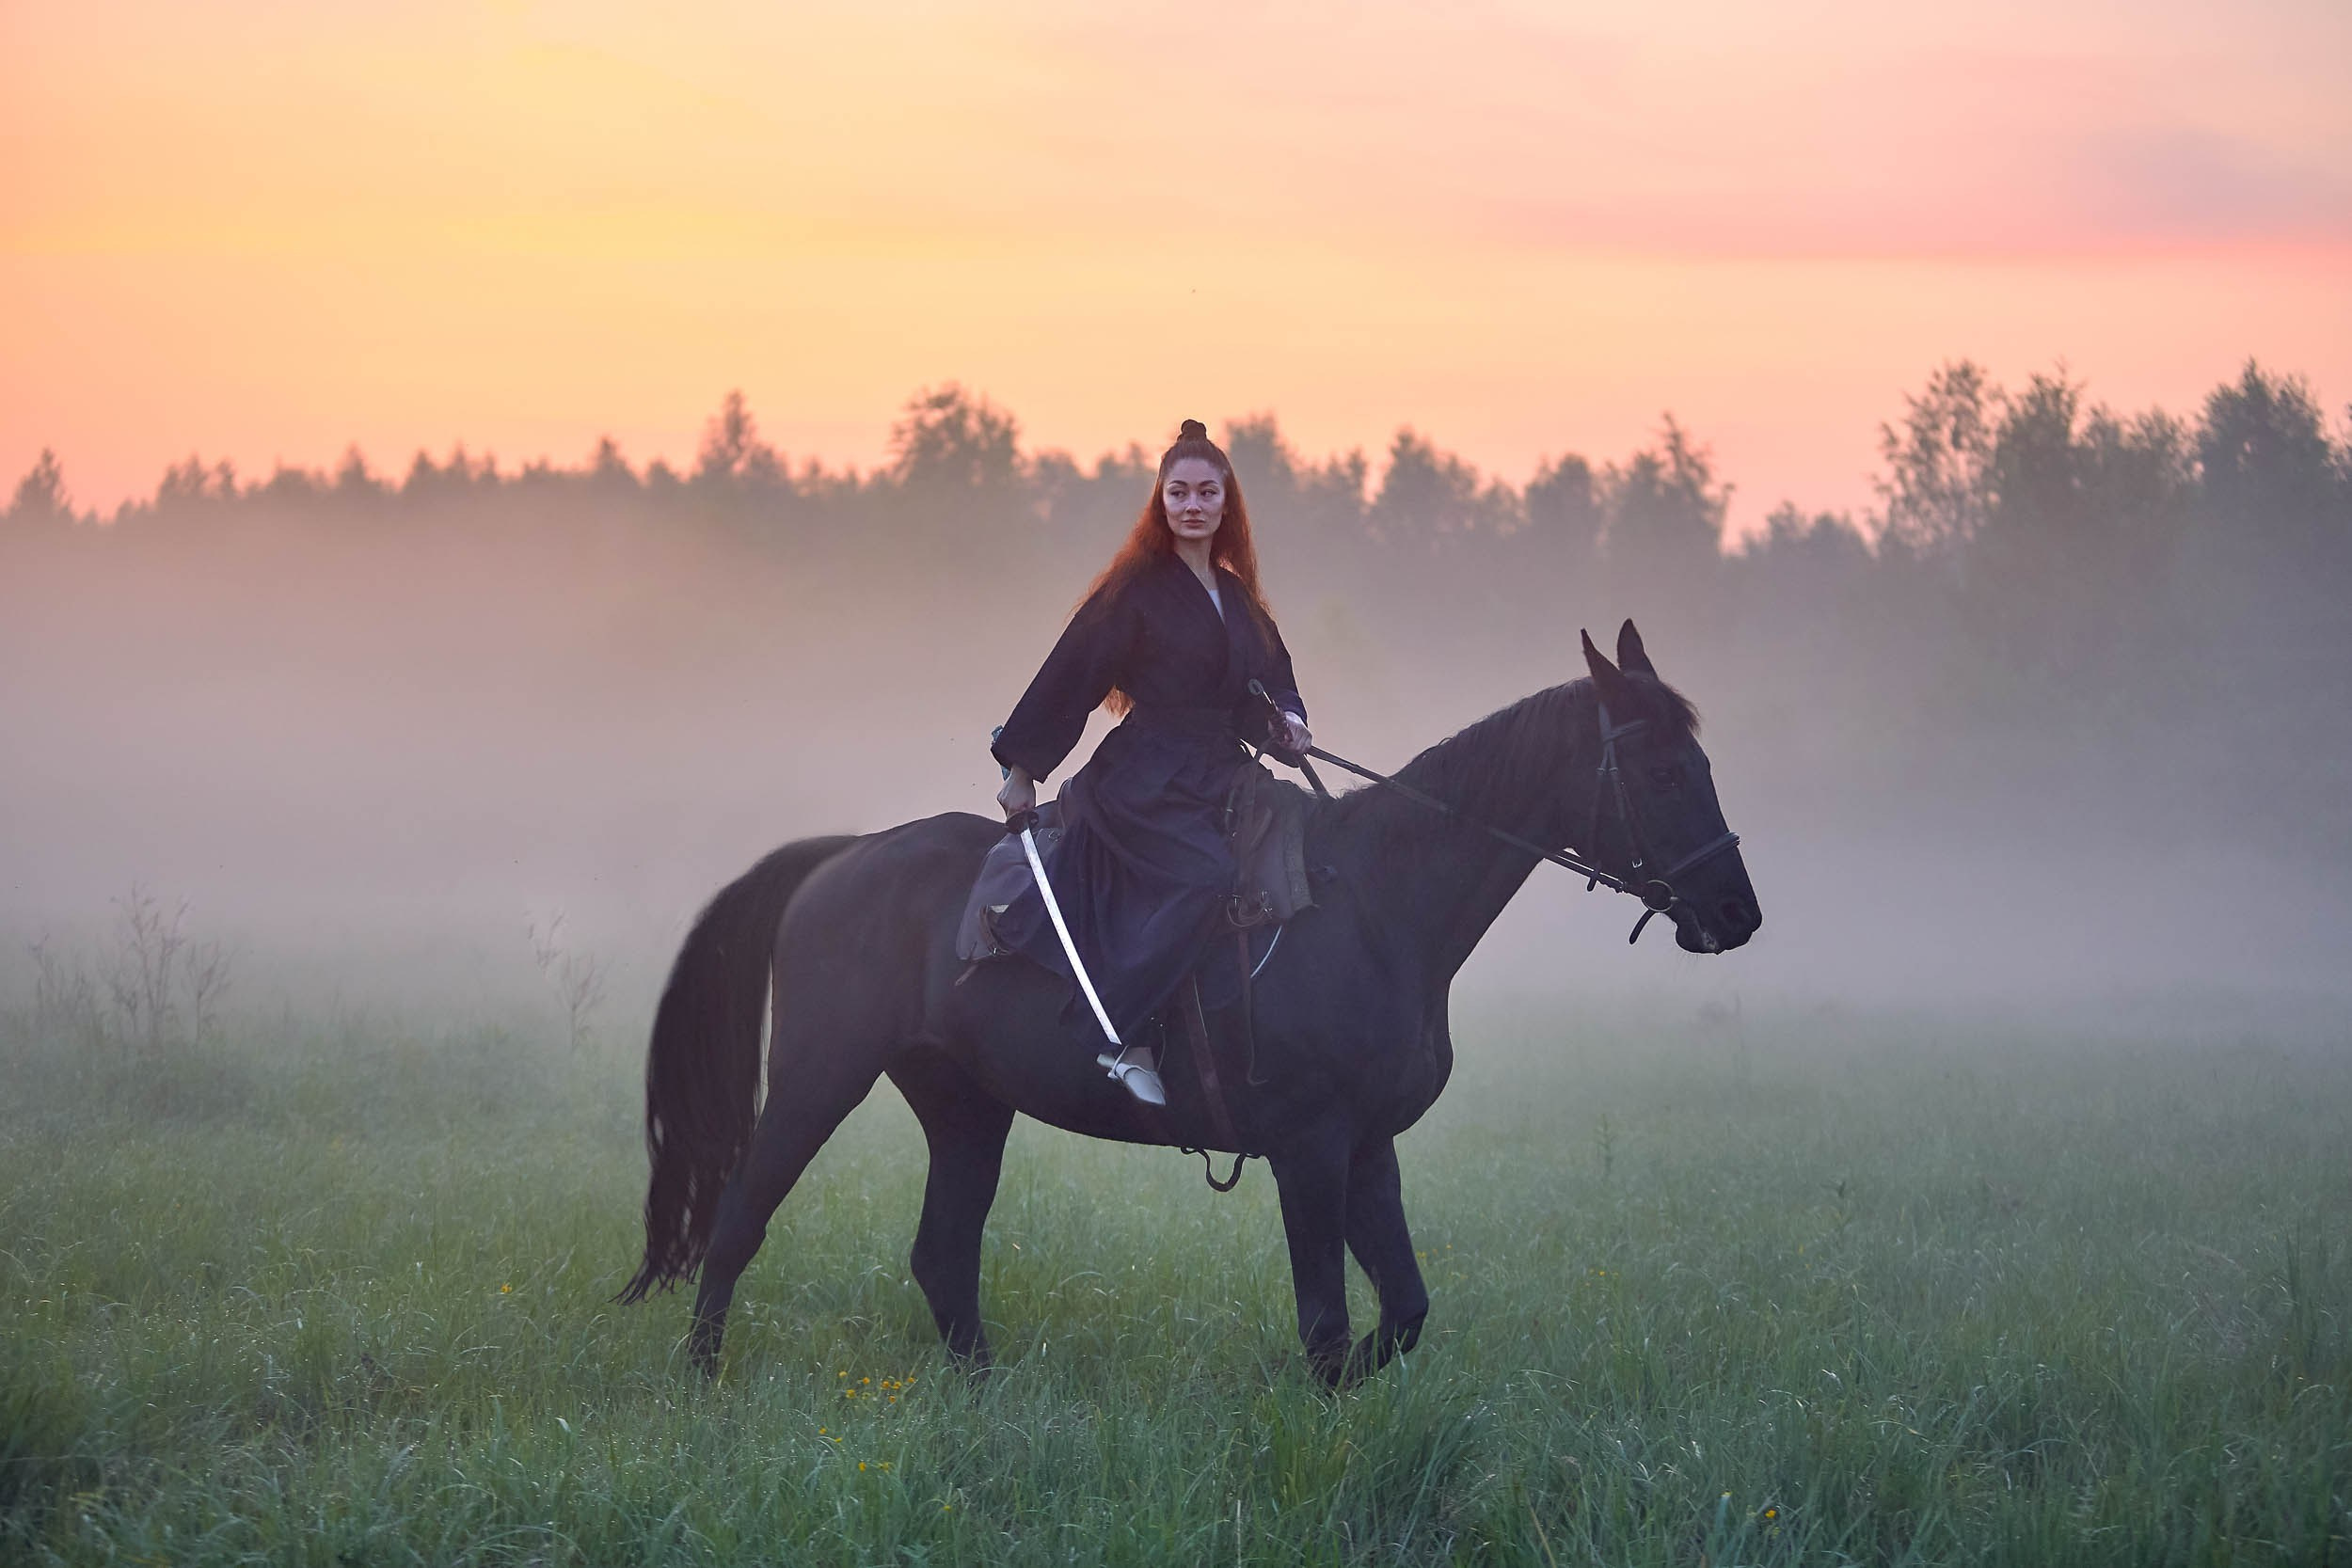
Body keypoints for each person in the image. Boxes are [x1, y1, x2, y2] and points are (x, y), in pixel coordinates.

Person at [992, 420, 1311, 1105]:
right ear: (1160, 501)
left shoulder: (1239, 597)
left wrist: (1291, 722)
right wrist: (1024, 769)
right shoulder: (1135, 589)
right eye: (1178, 493)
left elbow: (1271, 680)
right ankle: (1114, 1027)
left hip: (1222, 772)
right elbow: (1073, 670)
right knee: (1208, 877)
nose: (1192, 505)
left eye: (1205, 492)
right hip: (1145, 779)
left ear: (1227, 503)